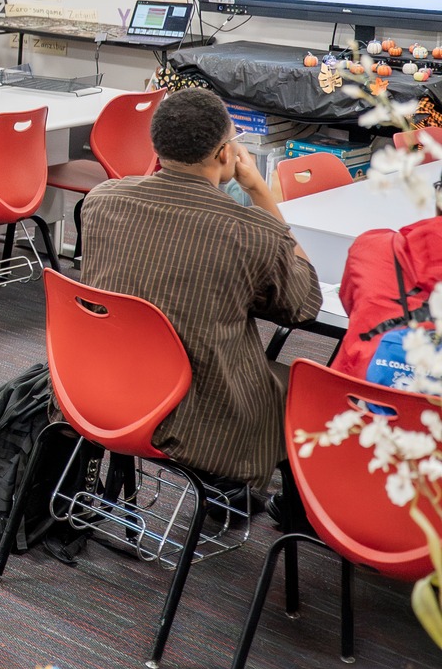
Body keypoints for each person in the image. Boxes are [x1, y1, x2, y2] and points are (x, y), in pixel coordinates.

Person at [80, 87, 323, 491]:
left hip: (102, 387)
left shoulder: (102, 200)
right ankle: (288, 514)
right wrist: (259, 191)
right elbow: (303, 303)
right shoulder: (251, 233)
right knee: (309, 387)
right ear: (226, 153)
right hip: (203, 416)